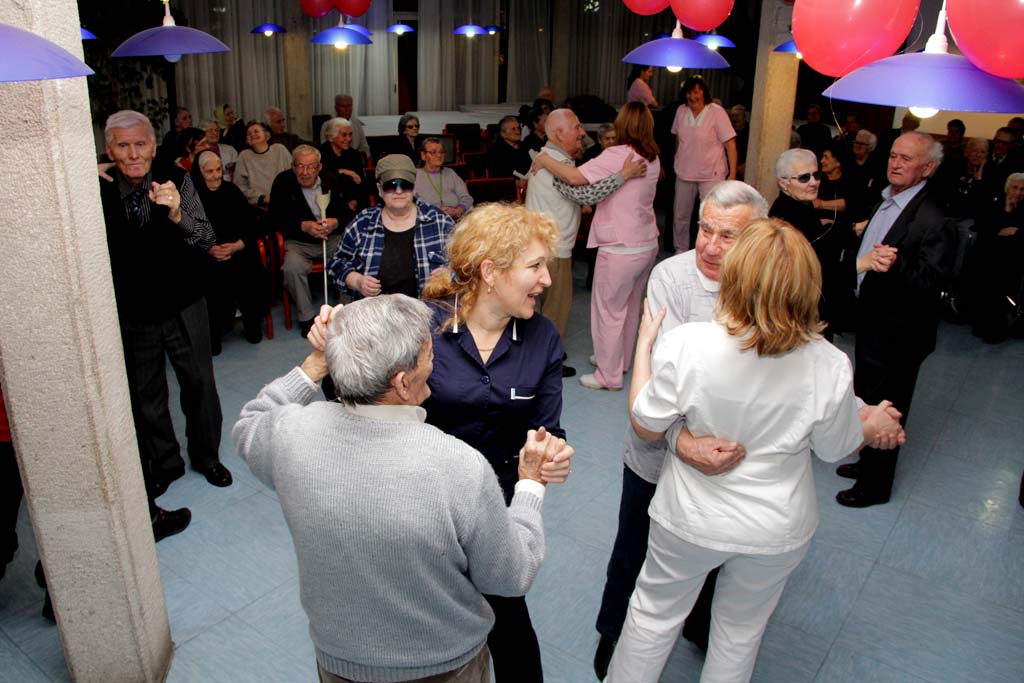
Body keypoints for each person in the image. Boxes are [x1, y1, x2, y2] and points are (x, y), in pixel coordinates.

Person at [606, 218, 906, 683]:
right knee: (739, 632)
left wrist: (644, 347)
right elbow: (833, 448)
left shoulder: (689, 344)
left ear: (735, 277)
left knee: (653, 614)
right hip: (776, 526)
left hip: (691, 517)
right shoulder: (829, 362)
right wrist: (870, 424)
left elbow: (647, 422)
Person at [234, 293, 564, 683]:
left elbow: (250, 423)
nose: (435, 362)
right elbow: (511, 575)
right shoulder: (457, 466)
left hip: (339, 664)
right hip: (445, 667)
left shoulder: (291, 433)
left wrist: (318, 362)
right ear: (404, 383)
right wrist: (530, 485)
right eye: (429, 355)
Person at [313, 203, 575, 682]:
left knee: (512, 629)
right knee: (420, 626)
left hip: (494, 507)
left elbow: (546, 428)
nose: (547, 280)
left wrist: (551, 453)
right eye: (536, 266)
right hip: (417, 503)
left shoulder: (543, 338)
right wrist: (326, 348)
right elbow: (356, 397)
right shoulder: (423, 325)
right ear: (491, 272)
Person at [592, 181, 769, 679]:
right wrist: (682, 441)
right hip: (655, 451)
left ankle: (698, 623)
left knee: (717, 546)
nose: (709, 246)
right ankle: (614, 632)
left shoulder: (767, 283)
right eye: (705, 229)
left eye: (727, 236)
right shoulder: (671, 276)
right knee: (635, 545)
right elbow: (661, 381)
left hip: (726, 457)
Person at [100, 110, 233, 537]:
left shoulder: (177, 179)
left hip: (184, 303)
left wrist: (177, 214)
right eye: (123, 146)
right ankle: (166, 463)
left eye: (140, 144)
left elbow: (206, 238)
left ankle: (206, 456)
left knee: (200, 384)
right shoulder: (97, 188)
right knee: (146, 396)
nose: (133, 154)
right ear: (109, 150)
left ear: (153, 146)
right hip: (134, 311)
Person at [838, 132, 956, 508]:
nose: (896, 163)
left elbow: (933, 281)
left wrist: (897, 263)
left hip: (899, 333)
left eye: (907, 159)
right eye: (893, 156)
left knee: (888, 407)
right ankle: (867, 462)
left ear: (928, 168)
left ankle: (875, 486)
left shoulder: (935, 217)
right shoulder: (887, 198)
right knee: (869, 397)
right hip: (873, 322)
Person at [535, 102, 660, 391]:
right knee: (630, 308)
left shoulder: (617, 154)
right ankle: (619, 361)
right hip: (646, 243)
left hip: (620, 246)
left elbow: (575, 179)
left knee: (608, 311)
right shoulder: (653, 156)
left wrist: (543, 160)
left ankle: (608, 375)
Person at [329, 154, 454, 301]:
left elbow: (468, 264)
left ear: (414, 188)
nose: (399, 191)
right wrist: (357, 281)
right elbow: (336, 265)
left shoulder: (439, 221)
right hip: (375, 311)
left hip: (428, 310)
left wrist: (450, 274)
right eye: (390, 185)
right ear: (379, 189)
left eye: (405, 185)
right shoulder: (362, 223)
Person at [270, 145, 354, 335]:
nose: (305, 172)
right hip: (299, 242)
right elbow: (274, 219)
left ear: (319, 167)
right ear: (293, 166)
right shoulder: (283, 182)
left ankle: (345, 312)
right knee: (292, 267)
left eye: (310, 166)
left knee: (349, 256)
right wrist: (303, 226)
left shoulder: (330, 180)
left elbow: (347, 214)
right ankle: (307, 318)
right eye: (300, 166)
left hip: (330, 239)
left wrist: (335, 222)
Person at [770, 148, 854, 337]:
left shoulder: (801, 206)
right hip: (798, 314)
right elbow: (811, 266)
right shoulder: (785, 216)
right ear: (783, 183)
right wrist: (860, 264)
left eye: (816, 175)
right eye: (804, 178)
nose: (813, 182)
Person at [192, 151, 270, 351]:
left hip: (237, 250)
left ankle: (252, 324)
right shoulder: (192, 196)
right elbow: (188, 231)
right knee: (208, 277)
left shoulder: (232, 191)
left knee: (250, 272)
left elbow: (250, 224)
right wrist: (209, 249)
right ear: (200, 172)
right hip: (208, 254)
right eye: (210, 171)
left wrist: (237, 245)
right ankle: (213, 335)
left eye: (218, 170)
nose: (216, 175)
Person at [671, 75, 737, 253]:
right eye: (689, 93)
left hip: (711, 174)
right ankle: (680, 250)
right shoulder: (681, 111)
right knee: (680, 215)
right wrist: (678, 159)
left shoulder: (716, 112)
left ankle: (709, 249)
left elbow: (730, 144)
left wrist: (732, 174)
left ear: (704, 93)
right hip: (684, 172)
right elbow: (678, 139)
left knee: (711, 216)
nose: (692, 97)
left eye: (696, 92)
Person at [967, 172, 1024, 343]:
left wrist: (1005, 232)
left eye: (1023, 189)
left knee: (999, 271)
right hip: (990, 253)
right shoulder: (995, 203)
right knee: (986, 262)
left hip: (1015, 256)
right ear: (1007, 189)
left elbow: (1017, 234)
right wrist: (1006, 213)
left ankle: (996, 327)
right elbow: (984, 227)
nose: (1018, 192)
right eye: (1015, 188)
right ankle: (982, 321)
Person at [234, 120, 292, 207]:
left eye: (256, 131)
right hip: (258, 206)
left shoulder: (279, 149)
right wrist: (262, 198)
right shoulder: (244, 156)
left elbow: (292, 174)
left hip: (284, 202)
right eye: (249, 134)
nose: (252, 135)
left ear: (267, 135)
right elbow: (240, 186)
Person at [415, 137, 474, 219]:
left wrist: (458, 211)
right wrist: (435, 212)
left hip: (457, 218)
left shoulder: (450, 173)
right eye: (433, 152)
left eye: (441, 152)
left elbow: (467, 198)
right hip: (429, 220)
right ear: (423, 155)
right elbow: (411, 205)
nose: (439, 155)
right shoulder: (414, 176)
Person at [317, 117, 368, 211]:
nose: (349, 139)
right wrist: (342, 171)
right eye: (344, 135)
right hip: (328, 202)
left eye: (350, 134)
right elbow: (321, 178)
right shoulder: (320, 154)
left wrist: (354, 200)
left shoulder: (354, 154)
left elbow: (360, 183)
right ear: (332, 137)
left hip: (353, 202)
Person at [318, 94, 370, 160]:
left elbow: (364, 146)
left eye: (349, 106)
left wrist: (368, 157)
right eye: (343, 106)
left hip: (354, 158)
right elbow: (324, 148)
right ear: (336, 108)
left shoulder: (356, 123)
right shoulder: (327, 125)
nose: (346, 109)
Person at [728, 105, 749, 179]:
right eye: (733, 116)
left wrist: (746, 164)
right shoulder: (729, 133)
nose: (735, 119)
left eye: (737, 116)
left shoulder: (751, 133)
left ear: (744, 117)